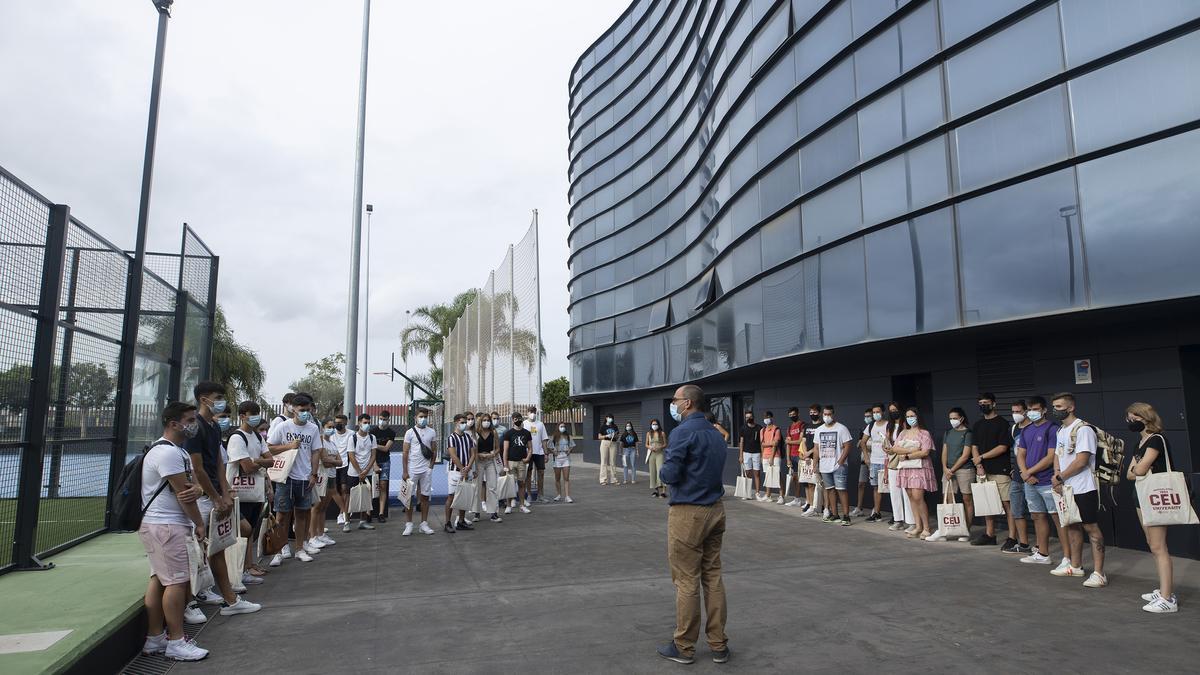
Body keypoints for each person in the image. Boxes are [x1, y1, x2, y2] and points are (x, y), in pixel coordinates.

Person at [656, 384, 729, 665]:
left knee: (686, 579)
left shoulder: (682, 432)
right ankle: (718, 644)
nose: (672, 405)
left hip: (688, 512)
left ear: (687, 404)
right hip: (715, 509)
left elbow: (670, 474)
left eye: (675, 400)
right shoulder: (715, 433)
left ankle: (684, 646)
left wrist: (664, 466)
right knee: (712, 575)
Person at [138, 402, 210, 661]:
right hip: (167, 526)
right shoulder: (168, 454)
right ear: (173, 423)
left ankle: (156, 637)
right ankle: (176, 641)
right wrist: (199, 524)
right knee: (177, 582)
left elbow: (193, 487)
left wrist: (198, 490)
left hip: (158, 525)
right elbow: (185, 494)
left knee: (159, 579)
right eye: (190, 420)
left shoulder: (174, 452)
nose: (194, 424)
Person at [186, 381, 260, 615]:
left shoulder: (214, 428)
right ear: (203, 399)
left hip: (216, 495)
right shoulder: (195, 427)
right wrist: (216, 497)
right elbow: (198, 468)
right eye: (217, 397)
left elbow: (219, 463)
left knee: (216, 548)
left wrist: (225, 493)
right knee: (195, 549)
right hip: (202, 499)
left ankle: (230, 600)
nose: (221, 402)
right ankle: (189, 602)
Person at [1125, 402, 1179, 613]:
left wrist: (1138, 469)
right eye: (1128, 419)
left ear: (1145, 417)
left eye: (1133, 419)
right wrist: (1138, 469)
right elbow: (1130, 473)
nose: (1130, 423)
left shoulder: (1157, 439)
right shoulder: (1139, 442)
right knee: (1152, 543)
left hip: (1156, 496)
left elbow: (1140, 468)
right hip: (1142, 495)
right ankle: (1164, 590)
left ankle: (1167, 598)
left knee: (1159, 546)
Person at [1051, 392, 1106, 588]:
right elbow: (1058, 455)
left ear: (1071, 407)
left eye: (1059, 406)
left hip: (1084, 487)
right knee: (1072, 525)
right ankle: (1076, 566)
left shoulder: (1083, 429)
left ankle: (1099, 573)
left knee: (1091, 528)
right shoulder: (1060, 431)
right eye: (1054, 406)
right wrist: (1057, 476)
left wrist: (1059, 477)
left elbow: (1082, 461)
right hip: (1066, 487)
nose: (1055, 410)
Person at [266, 393, 323, 565]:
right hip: (285, 477)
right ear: (294, 410)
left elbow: (315, 452)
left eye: (307, 410)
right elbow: (270, 447)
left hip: (304, 477)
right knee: (281, 516)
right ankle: (279, 549)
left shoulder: (312, 429)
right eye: (302, 410)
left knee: (301, 514)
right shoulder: (283, 427)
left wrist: (313, 474)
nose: (305, 413)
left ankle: (299, 548)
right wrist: (289, 446)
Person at [225, 401, 274, 584]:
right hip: (238, 491)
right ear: (242, 415)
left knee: (250, 530)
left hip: (255, 490)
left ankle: (249, 566)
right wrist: (259, 461)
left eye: (256, 413)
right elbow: (246, 467)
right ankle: (239, 569)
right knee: (243, 530)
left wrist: (257, 461)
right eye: (251, 413)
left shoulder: (256, 436)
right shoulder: (237, 438)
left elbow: (270, 461)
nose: (254, 416)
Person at [1016, 397, 1065, 565]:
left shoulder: (1053, 429)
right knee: (1037, 516)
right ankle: (1043, 554)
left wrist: (1028, 472)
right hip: (1030, 482)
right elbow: (1020, 453)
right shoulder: (1026, 430)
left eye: (1035, 409)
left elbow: (1051, 457)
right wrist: (1025, 473)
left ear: (1044, 410)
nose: (1032, 412)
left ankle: (1068, 558)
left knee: (1058, 519)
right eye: (1029, 409)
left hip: (1048, 481)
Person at [970, 393, 1012, 547]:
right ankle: (990, 534)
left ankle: (1012, 537)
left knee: (1007, 504)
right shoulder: (978, 425)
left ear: (994, 404)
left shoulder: (1002, 423)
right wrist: (979, 465)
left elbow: (1003, 447)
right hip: (983, 470)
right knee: (986, 503)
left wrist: (981, 457)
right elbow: (974, 446)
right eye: (980, 402)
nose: (983, 405)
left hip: (1000, 469)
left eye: (986, 402)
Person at [892, 407, 936, 539]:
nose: (910, 418)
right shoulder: (903, 433)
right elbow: (895, 448)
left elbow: (925, 452)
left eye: (912, 415)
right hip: (906, 468)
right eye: (908, 416)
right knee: (910, 496)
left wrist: (906, 455)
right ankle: (918, 526)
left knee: (918, 496)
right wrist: (914, 449)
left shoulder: (925, 433)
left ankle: (927, 527)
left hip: (919, 468)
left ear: (918, 416)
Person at [934, 407, 974, 541]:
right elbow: (944, 451)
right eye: (951, 418)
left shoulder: (968, 433)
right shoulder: (948, 432)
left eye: (955, 418)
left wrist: (952, 469)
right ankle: (948, 530)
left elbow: (965, 455)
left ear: (962, 418)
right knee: (948, 499)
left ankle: (965, 531)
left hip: (964, 470)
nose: (953, 420)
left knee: (967, 499)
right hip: (948, 470)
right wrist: (945, 468)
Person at [402, 408, 438, 535]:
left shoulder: (432, 432)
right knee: (408, 498)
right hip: (412, 469)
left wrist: (431, 467)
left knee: (425, 497)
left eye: (425, 416)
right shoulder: (409, 433)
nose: (424, 419)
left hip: (426, 469)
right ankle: (409, 524)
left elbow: (434, 450)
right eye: (421, 416)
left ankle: (424, 524)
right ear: (415, 417)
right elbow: (405, 452)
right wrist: (405, 471)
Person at [306, 420, 340, 552]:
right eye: (328, 427)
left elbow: (341, 461)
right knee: (316, 506)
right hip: (321, 477)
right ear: (323, 428)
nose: (331, 429)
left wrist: (333, 461)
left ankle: (320, 533)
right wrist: (333, 461)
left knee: (324, 507)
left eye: (333, 427)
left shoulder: (332, 443)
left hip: (331, 476)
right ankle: (312, 536)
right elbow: (325, 462)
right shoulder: (320, 441)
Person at [816, 406, 853, 525]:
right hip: (824, 465)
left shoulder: (842, 428)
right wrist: (815, 463)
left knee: (841, 490)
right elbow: (816, 448)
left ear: (833, 414)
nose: (827, 417)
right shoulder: (819, 429)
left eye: (829, 414)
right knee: (830, 490)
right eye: (825, 414)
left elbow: (848, 445)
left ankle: (846, 516)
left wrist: (841, 461)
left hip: (838, 466)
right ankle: (835, 514)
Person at [1005, 400, 1032, 554]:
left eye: (1018, 411)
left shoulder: (1034, 428)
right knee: (1016, 511)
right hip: (1017, 475)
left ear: (1026, 411)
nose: (1015, 414)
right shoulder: (1014, 428)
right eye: (1013, 411)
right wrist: (1014, 469)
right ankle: (1023, 544)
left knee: (1037, 513)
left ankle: (1042, 547)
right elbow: (1013, 450)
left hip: (1032, 473)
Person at [444, 413, 476, 532]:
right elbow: (453, 455)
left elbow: (473, 453)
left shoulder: (468, 437)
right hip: (455, 472)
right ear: (456, 423)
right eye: (462, 422)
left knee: (464, 496)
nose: (464, 424)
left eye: (465, 422)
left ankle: (461, 521)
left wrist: (468, 468)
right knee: (451, 497)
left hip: (467, 471)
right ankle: (447, 523)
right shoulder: (451, 438)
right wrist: (462, 469)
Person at [346, 413, 377, 531]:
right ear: (359, 423)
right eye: (365, 423)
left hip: (367, 472)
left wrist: (366, 470)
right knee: (349, 497)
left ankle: (363, 521)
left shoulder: (372, 438)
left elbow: (373, 455)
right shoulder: (352, 438)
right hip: (354, 473)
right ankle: (347, 522)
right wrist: (360, 472)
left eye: (368, 423)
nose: (367, 425)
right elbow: (351, 456)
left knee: (366, 496)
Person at [883, 401, 911, 531]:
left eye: (895, 409)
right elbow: (887, 443)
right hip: (892, 461)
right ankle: (898, 519)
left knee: (906, 492)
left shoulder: (905, 425)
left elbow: (907, 443)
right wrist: (887, 449)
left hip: (904, 461)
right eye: (891, 410)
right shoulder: (889, 426)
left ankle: (911, 521)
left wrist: (894, 449)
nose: (893, 412)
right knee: (894, 492)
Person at [501, 412, 533, 514]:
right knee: (510, 484)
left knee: (521, 483)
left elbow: (530, 448)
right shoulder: (508, 433)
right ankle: (509, 505)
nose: (517, 420)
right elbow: (505, 450)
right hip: (510, 461)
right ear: (512, 420)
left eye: (519, 418)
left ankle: (522, 505)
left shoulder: (526, 433)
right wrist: (505, 464)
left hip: (521, 462)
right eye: (515, 419)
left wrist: (527, 458)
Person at [474, 415, 504, 522]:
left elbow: (497, 448)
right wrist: (479, 455)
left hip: (490, 461)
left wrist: (492, 455)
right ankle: (476, 512)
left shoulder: (494, 432)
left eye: (488, 420)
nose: (486, 422)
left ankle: (493, 513)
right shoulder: (476, 433)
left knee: (492, 487)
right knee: (477, 486)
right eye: (484, 420)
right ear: (480, 421)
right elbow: (473, 449)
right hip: (479, 461)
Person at [371, 410, 397, 523]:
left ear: (388, 420)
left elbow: (386, 448)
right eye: (381, 419)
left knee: (383, 485)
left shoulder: (391, 432)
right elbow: (369, 450)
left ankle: (381, 513)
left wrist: (374, 445)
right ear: (378, 418)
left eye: (385, 419)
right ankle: (369, 512)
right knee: (371, 486)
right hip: (373, 461)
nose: (382, 421)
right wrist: (374, 463)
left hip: (385, 461)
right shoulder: (372, 431)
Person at [863, 405, 887, 522]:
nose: (876, 414)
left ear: (883, 412)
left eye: (878, 412)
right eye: (874, 412)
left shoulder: (889, 425)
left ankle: (896, 515)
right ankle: (877, 512)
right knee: (876, 487)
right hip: (874, 461)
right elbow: (863, 442)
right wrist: (867, 457)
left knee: (891, 488)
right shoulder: (871, 426)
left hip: (887, 461)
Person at [330, 414, 353, 527]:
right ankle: (344, 511)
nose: (338, 424)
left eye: (340, 422)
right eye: (336, 422)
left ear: (346, 423)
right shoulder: (331, 434)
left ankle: (342, 514)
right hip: (333, 465)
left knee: (344, 489)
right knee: (334, 490)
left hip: (346, 464)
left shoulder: (351, 434)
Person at [524, 406, 550, 504]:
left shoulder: (540, 424)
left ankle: (540, 495)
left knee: (541, 474)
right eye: (530, 412)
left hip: (539, 452)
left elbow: (544, 440)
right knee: (528, 474)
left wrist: (546, 453)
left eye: (534, 412)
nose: (532, 413)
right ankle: (529, 495)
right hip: (528, 453)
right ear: (527, 413)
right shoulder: (524, 424)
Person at [851, 408, 874, 517]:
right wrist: (863, 445)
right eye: (866, 416)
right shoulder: (863, 429)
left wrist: (866, 445)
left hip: (875, 460)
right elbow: (859, 444)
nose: (867, 418)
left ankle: (875, 509)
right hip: (864, 460)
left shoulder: (877, 428)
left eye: (869, 416)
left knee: (876, 486)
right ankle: (859, 508)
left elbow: (877, 446)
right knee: (861, 484)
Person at [784, 408, 806, 507]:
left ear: (798, 414)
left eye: (794, 414)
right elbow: (787, 444)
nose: (792, 416)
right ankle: (797, 499)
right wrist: (788, 459)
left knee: (805, 478)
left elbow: (801, 440)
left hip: (801, 455)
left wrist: (789, 442)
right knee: (795, 478)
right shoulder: (789, 427)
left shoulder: (802, 425)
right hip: (792, 456)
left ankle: (808, 501)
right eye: (790, 414)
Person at [760, 412, 783, 504]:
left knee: (778, 475)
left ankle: (781, 496)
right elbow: (762, 444)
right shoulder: (762, 430)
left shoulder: (776, 429)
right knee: (767, 476)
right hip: (765, 456)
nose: (766, 419)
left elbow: (776, 444)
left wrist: (772, 457)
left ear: (772, 418)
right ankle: (768, 495)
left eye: (768, 417)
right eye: (765, 417)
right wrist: (762, 456)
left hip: (775, 456)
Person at [738, 412, 762, 500]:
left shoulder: (759, 428)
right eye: (746, 417)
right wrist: (741, 455)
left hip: (757, 453)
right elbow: (741, 442)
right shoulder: (743, 428)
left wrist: (762, 454)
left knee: (757, 473)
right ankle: (747, 493)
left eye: (750, 417)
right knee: (747, 473)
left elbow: (761, 442)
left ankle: (757, 493)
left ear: (753, 417)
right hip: (746, 453)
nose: (748, 418)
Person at [552, 422, 576, 503]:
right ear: (558, 427)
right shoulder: (555, 437)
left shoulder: (568, 436)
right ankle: (559, 494)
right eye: (561, 426)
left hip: (566, 458)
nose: (563, 427)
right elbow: (549, 446)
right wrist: (553, 452)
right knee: (557, 478)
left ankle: (567, 496)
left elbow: (572, 445)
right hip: (557, 458)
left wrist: (569, 450)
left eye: (564, 426)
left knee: (566, 478)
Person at [646, 419, 667, 498]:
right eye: (653, 424)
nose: (654, 425)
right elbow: (646, 444)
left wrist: (660, 447)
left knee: (660, 471)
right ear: (651, 425)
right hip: (651, 454)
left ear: (658, 425)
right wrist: (650, 447)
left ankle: (664, 491)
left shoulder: (662, 433)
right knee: (653, 472)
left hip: (659, 454)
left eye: (655, 424)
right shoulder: (648, 433)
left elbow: (665, 444)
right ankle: (656, 491)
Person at [597, 414, 620, 486]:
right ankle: (603, 480)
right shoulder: (603, 426)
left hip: (613, 443)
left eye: (612, 418)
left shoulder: (615, 426)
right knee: (604, 461)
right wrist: (606, 435)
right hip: (605, 442)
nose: (610, 419)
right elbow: (599, 437)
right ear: (606, 418)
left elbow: (618, 436)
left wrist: (615, 435)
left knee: (613, 461)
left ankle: (614, 479)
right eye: (609, 417)